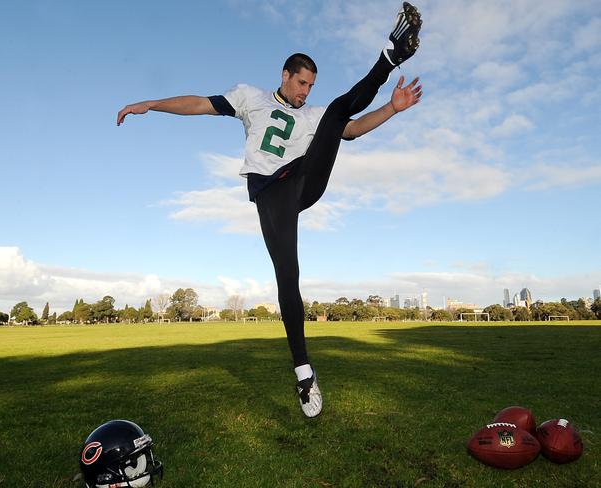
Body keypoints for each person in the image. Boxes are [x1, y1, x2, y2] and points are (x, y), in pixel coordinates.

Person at [117, 2, 423, 418]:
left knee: (335, 112)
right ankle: (303, 373)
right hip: (271, 192)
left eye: (310, 86)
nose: (304, 92)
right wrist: (152, 103)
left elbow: (347, 128)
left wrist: (390, 109)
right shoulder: (251, 98)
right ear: (284, 75)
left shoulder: (313, 113)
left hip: (305, 182)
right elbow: (199, 104)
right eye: (300, 83)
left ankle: (389, 57)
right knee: (288, 275)